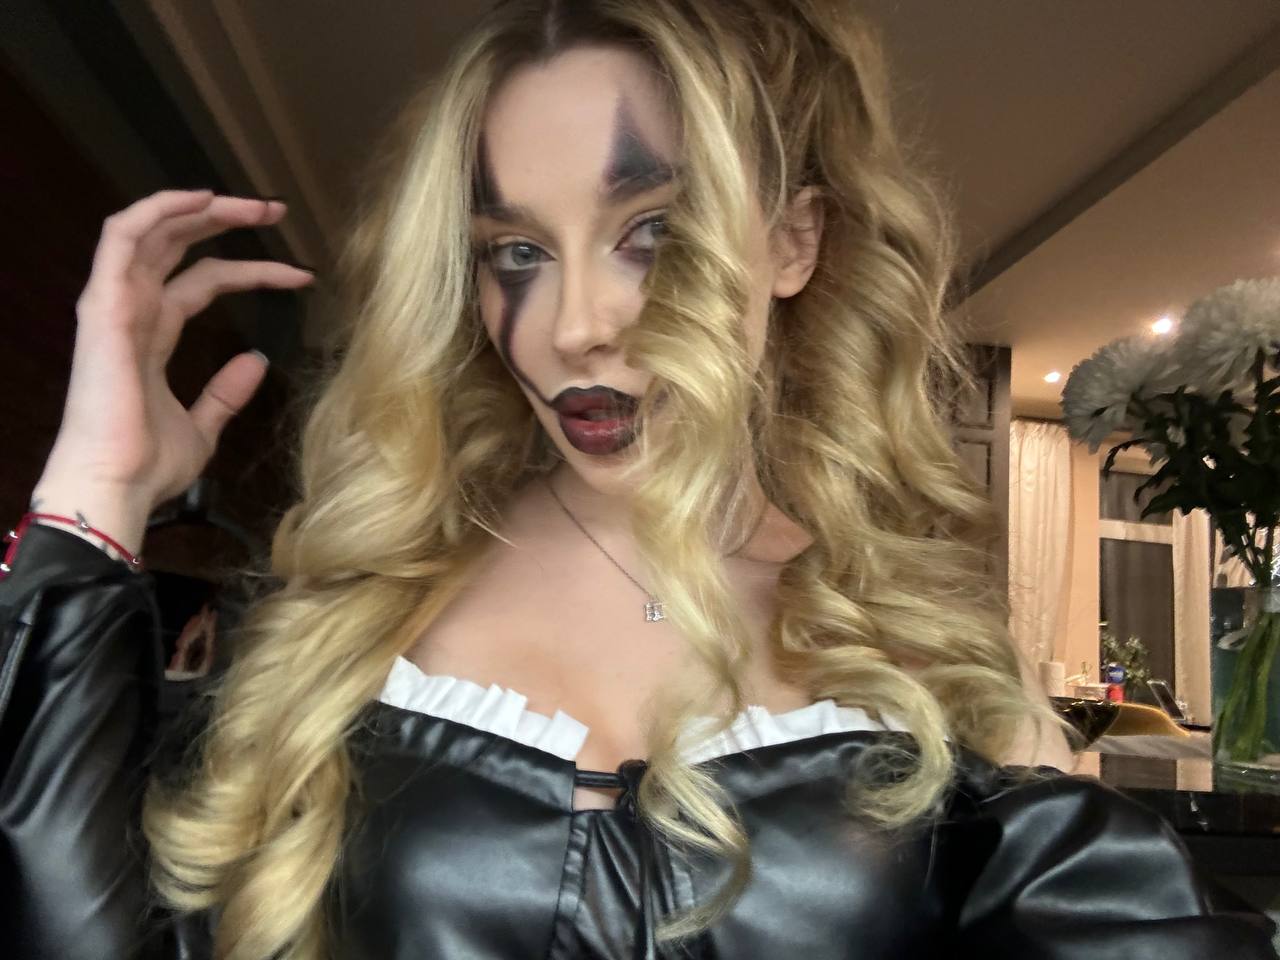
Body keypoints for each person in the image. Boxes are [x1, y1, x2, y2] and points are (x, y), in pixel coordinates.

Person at [1, 1, 1275, 957]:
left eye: (649, 230)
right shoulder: (369, 614)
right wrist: (94, 493)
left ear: (791, 241)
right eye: (514, 251)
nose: (573, 327)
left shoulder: (915, 647)